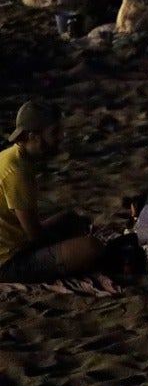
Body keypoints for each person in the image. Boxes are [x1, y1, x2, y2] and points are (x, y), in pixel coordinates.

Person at [0, 101, 104, 284]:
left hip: (14, 243)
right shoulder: (16, 171)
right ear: (34, 137)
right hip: (7, 261)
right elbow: (34, 235)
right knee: (92, 247)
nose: (61, 137)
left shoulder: (12, 157)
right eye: (54, 132)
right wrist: (62, 246)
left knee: (73, 220)